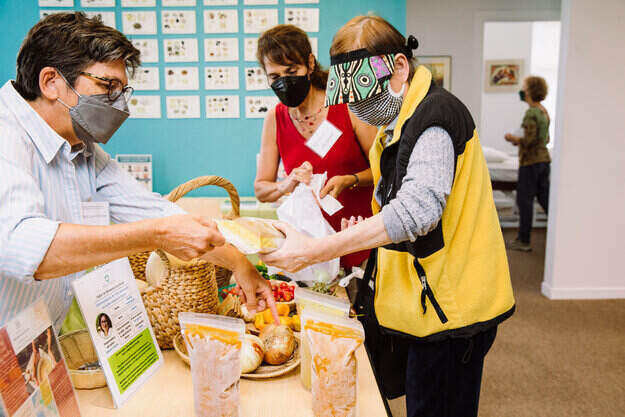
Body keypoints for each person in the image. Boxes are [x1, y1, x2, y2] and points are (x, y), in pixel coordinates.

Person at [261, 16, 515, 417]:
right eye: (353, 99)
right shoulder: (394, 125)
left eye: (365, 95)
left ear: (398, 67)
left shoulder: (435, 117)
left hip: (451, 311)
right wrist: (366, 229)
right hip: (422, 307)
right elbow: (397, 204)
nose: (359, 108)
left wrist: (315, 250)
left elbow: (417, 212)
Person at [0, 12, 278, 330]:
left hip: (35, 345)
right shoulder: (6, 136)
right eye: (108, 86)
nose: (119, 104)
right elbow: (27, 247)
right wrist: (156, 235)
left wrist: (240, 263)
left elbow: (154, 212)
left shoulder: (81, 147)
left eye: (123, 92)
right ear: (51, 82)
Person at [253, 25, 378, 270]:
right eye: (275, 77)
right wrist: (287, 184)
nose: (285, 83)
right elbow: (261, 189)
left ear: (310, 64)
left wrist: (350, 179)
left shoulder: (346, 105)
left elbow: (386, 170)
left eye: (291, 71)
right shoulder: (275, 119)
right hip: (312, 255)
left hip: (361, 244)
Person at [504, 76, 551, 251]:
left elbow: (529, 140)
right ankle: (560, 233)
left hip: (530, 162)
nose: (522, 90)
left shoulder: (531, 113)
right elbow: (546, 138)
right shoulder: (543, 111)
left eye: (524, 87)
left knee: (525, 201)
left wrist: (512, 138)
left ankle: (523, 241)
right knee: (545, 200)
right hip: (544, 161)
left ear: (531, 91)